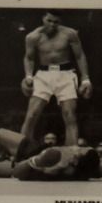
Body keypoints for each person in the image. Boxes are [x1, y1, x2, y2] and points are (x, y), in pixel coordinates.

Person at [20, 11, 92, 148]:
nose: (52, 25)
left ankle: (71, 154)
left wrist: (86, 79)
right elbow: (29, 58)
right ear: (43, 19)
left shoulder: (69, 34)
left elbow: (80, 56)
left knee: (69, 114)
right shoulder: (32, 37)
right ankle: (21, 152)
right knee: (31, 114)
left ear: (60, 21)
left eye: (56, 22)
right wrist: (28, 76)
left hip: (66, 74)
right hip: (43, 74)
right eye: (49, 20)